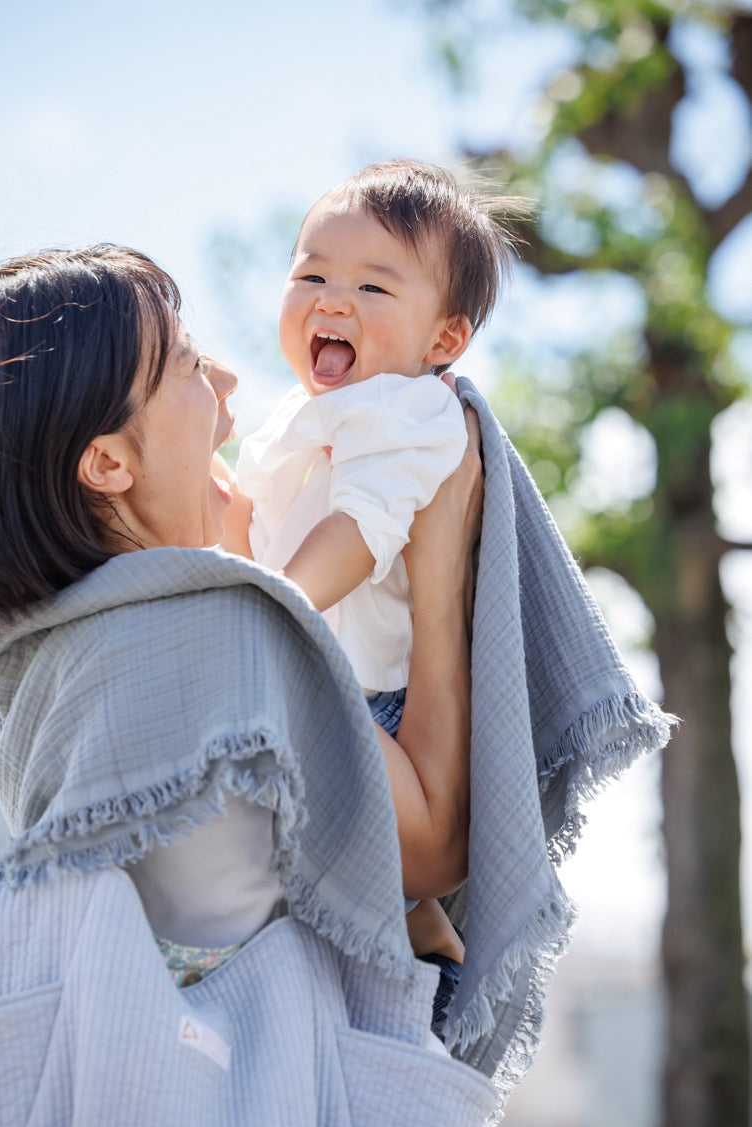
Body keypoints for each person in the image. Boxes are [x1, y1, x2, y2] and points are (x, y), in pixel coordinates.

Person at [0, 244, 498, 1127]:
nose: (227, 381)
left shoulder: (44, 650)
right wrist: (440, 560)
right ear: (108, 460)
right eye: (184, 364)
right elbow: (438, 841)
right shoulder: (220, 633)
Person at [227, 160, 519, 1017]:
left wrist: (268, 604)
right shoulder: (298, 412)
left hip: (376, 694)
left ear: (444, 342)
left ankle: (412, 920)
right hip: (332, 670)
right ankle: (416, 920)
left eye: (372, 286)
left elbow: (359, 528)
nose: (331, 300)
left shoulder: (410, 410)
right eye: (310, 274)